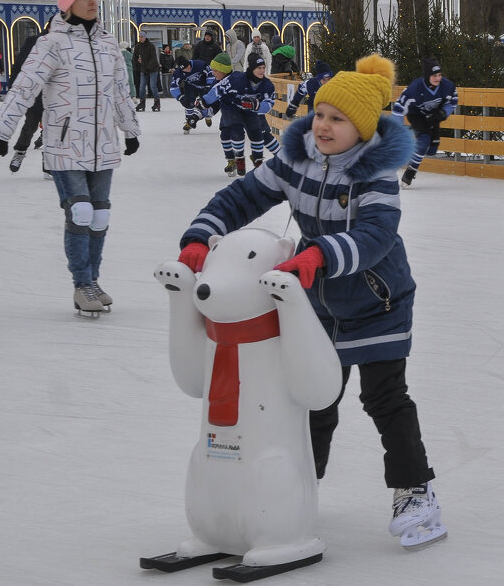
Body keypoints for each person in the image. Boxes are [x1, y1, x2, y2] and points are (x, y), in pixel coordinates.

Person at [174, 53, 445, 551]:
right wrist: (200, 235)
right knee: (313, 399)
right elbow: (241, 198)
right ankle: (301, 486)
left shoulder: (375, 173)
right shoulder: (293, 158)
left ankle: (415, 492)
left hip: (378, 301)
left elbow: (377, 235)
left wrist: (318, 254)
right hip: (317, 305)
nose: (322, 125)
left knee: (385, 399)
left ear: (361, 128)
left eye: (337, 119)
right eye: (320, 113)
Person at [0, 0, 141, 315]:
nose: (91, 2)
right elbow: (24, 88)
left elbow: (119, 91)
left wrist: (129, 130)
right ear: (67, 4)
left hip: (103, 143)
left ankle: (94, 281)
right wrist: (3, 131)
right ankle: (81, 284)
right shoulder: (51, 44)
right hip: (65, 142)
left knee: (99, 216)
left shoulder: (108, 44)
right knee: (81, 212)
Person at [197, 52, 277, 176]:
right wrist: (205, 102)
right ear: (251, 69)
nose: (262, 71)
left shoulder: (267, 85)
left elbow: (269, 103)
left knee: (259, 134)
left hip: (251, 112)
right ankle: (237, 159)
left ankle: (263, 162)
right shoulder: (237, 79)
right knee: (234, 132)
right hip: (233, 109)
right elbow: (217, 90)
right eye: (258, 68)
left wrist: (258, 106)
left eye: (263, 68)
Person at [394, 57, 458, 188]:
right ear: (427, 76)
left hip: (433, 115)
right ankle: (410, 172)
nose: (438, 78)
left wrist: (443, 113)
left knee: (432, 149)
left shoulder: (447, 86)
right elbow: (398, 107)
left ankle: (416, 153)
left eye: (439, 75)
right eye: (434, 75)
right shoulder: (414, 89)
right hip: (416, 115)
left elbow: (453, 101)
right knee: (423, 142)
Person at [5, 27, 51, 174]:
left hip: (56, 94)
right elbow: (19, 65)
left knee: (52, 129)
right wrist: (14, 86)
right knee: (31, 125)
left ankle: (48, 162)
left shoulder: (65, 45)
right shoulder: (33, 42)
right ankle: (20, 151)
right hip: (35, 91)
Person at [170, 55, 218, 133]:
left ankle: (208, 116)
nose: (188, 70)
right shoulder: (178, 73)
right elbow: (173, 87)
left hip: (204, 85)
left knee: (205, 102)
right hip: (190, 86)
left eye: (188, 67)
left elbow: (211, 73)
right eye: (185, 69)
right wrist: (180, 97)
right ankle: (189, 121)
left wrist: (209, 85)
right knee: (188, 102)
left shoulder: (200, 64)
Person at [133, 31, 161, 112]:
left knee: (152, 86)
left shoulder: (151, 46)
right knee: (141, 87)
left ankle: (157, 102)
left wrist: (148, 68)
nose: (141, 38)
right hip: (143, 69)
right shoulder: (138, 46)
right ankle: (142, 102)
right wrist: (136, 67)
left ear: (145, 37)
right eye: (140, 36)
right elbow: (135, 57)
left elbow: (153, 59)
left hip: (152, 69)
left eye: (142, 36)